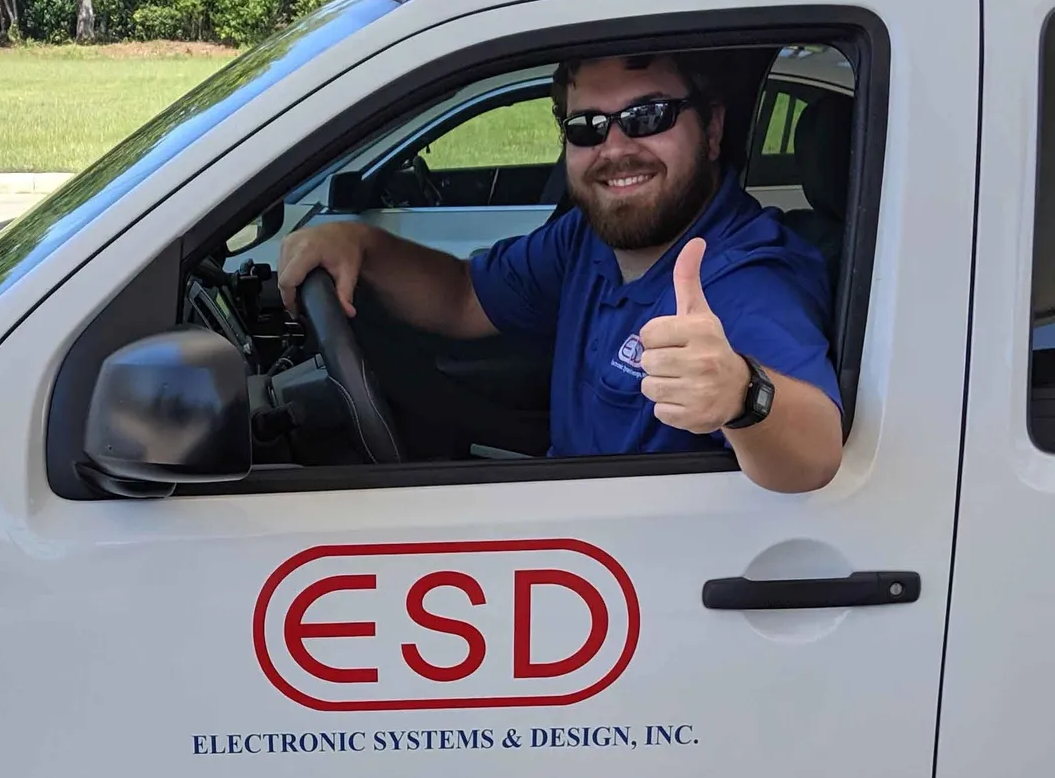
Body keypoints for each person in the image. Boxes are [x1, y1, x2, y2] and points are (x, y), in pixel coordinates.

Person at [277, 52, 844, 493]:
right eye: (587, 127)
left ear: (713, 130)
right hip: (570, 531)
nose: (615, 148)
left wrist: (744, 394)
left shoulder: (746, 276)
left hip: (648, 577)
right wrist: (359, 242)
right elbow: (463, 297)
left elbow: (817, 454)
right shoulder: (589, 239)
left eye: (648, 116)